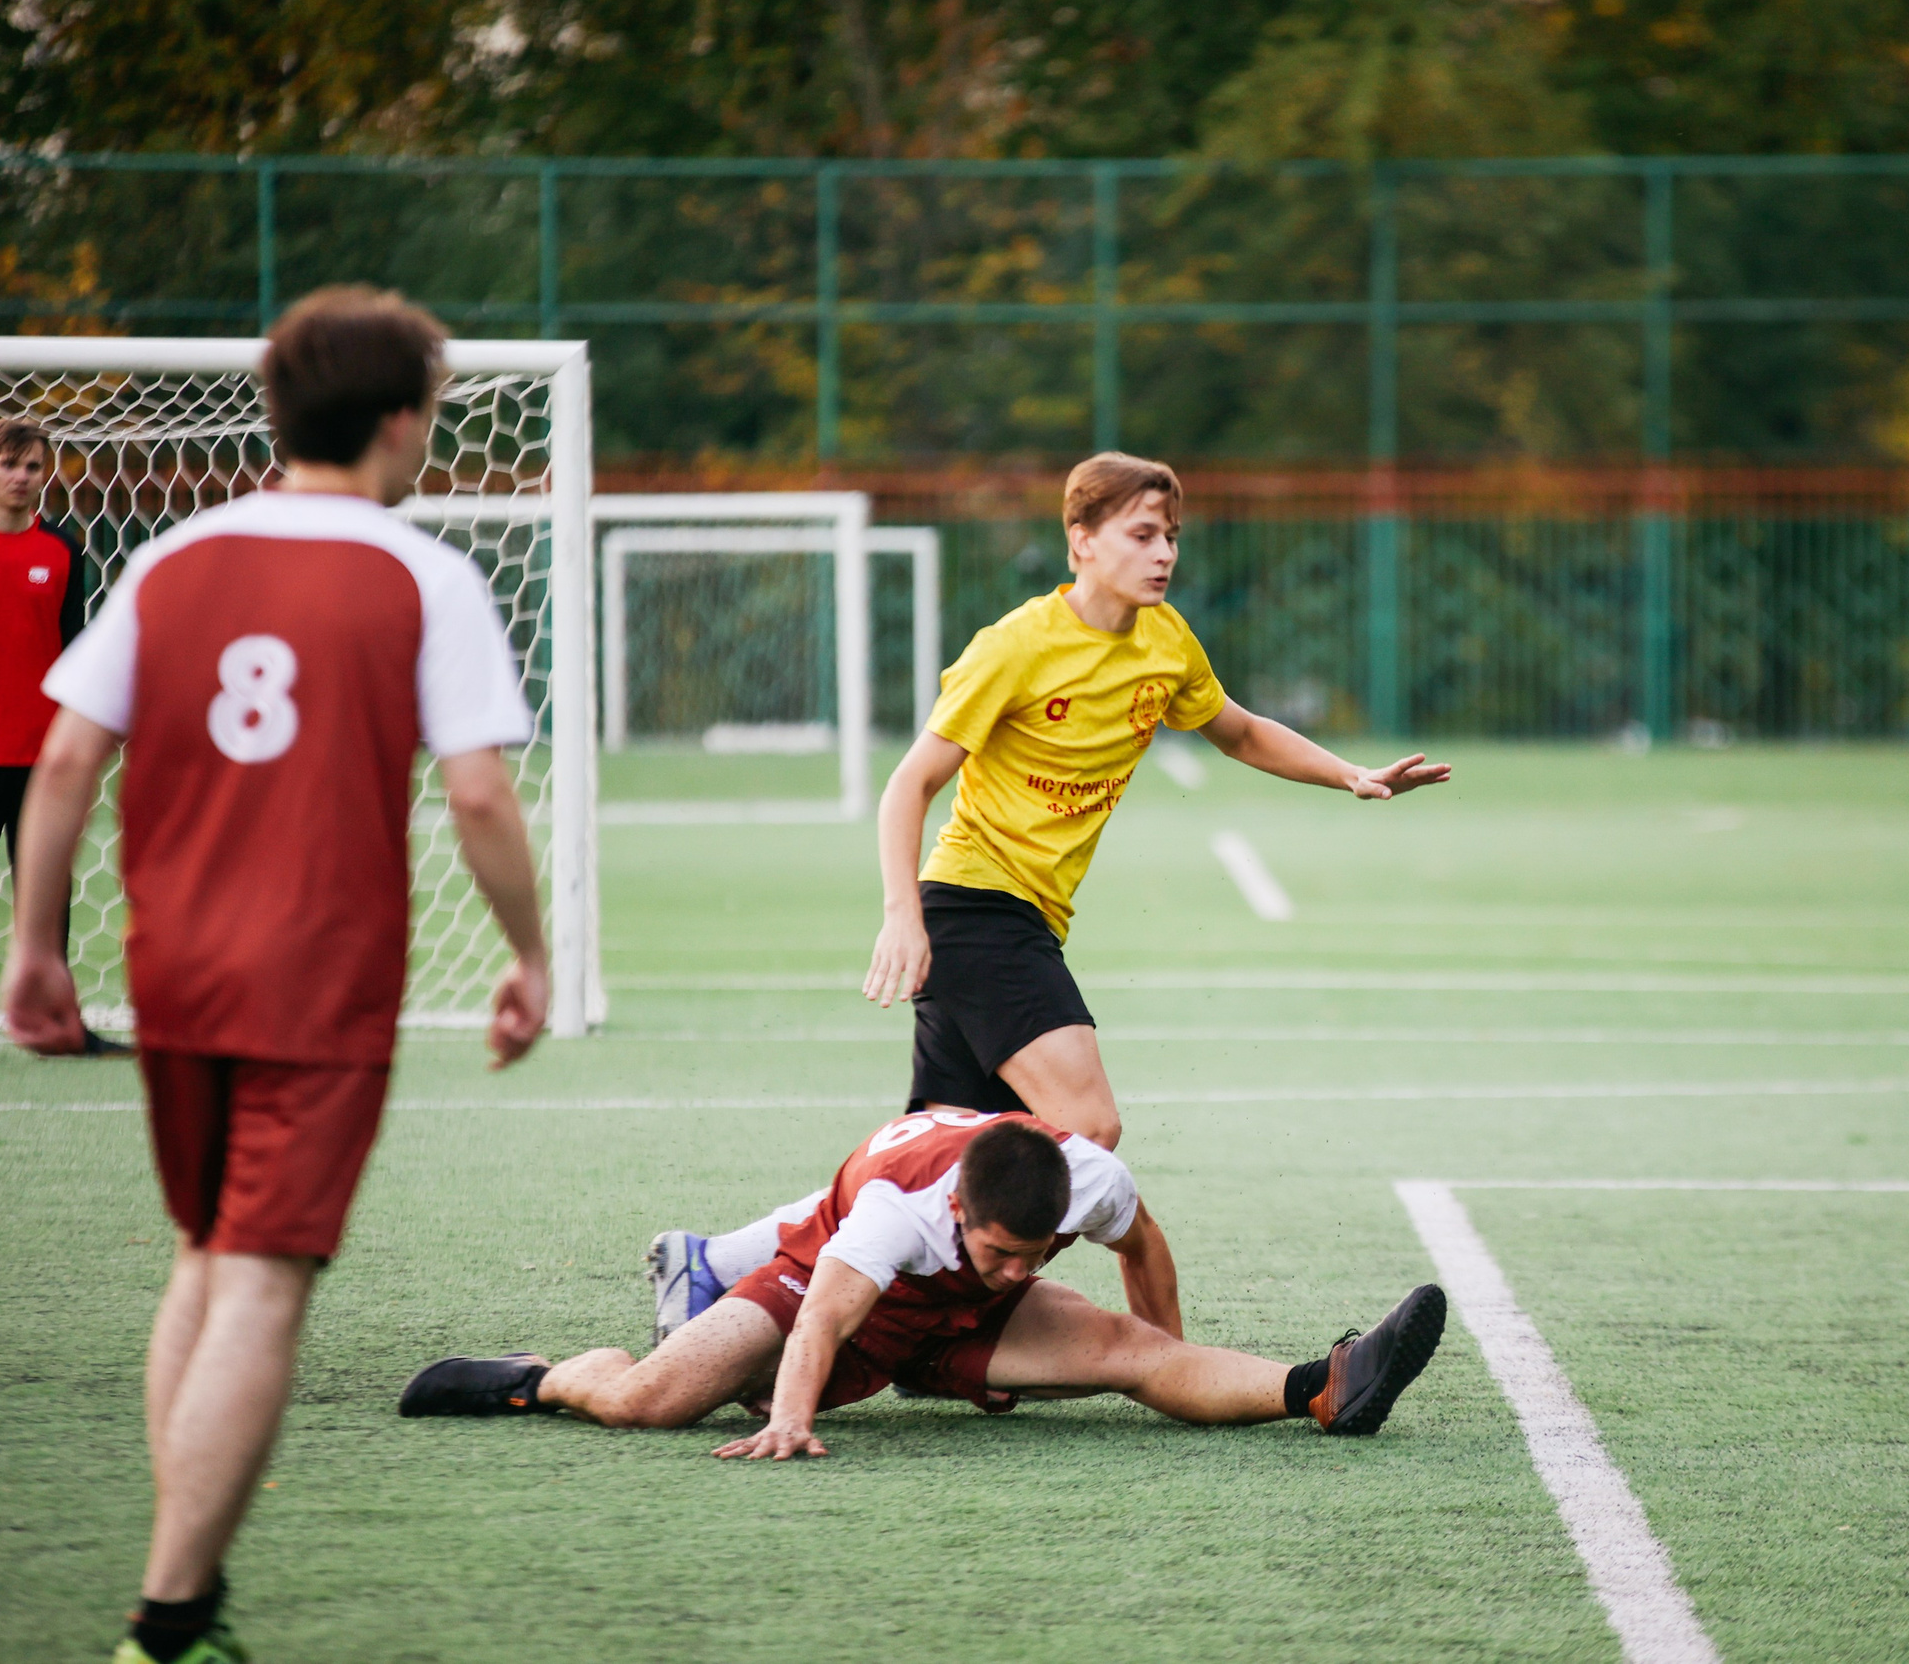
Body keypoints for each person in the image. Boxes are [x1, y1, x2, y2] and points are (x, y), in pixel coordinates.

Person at [3, 286, 553, 1664]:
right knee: (258, 1281)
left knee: (204, 1261)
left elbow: (65, 758)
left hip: (173, 968)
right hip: (318, 980)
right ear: (403, 417)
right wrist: (530, 954)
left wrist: (30, 949)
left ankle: (187, 1586)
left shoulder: (175, 557)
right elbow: (479, 795)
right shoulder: (419, 570)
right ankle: (170, 1614)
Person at [865, 452, 1451, 1152]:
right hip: (977, 910)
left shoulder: (1165, 640)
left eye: (1171, 536)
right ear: (1082, 538)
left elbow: (1239, 731)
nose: (1165, 553)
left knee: (936, 1161)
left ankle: (737, 1259)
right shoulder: (1014, 647)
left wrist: (1350, 773)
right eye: (1142, 535)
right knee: (1088, 1129)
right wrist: (903, 914)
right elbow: (911, 782)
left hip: (1022, 919)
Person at [403, 1112, 1447, 1449]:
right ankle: (534, 1377)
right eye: (999, 1251)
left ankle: (1322, 1383)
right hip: (818, 1296)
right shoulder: (895, 1213)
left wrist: (1169, 1354)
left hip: (948, 1328)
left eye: (1031, 1254)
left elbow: (1143, 1250)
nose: (1017, 1267)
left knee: (1128, 1354)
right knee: (651, 1401)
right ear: (959, 1213)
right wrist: (792, 1421)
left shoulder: (1083, 1180)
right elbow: (818, 1322)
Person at [0, 416, 123, 1053]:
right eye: (9, 464)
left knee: (49, 897)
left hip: (40, 755)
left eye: (33, 467)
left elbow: (69, 653)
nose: (21, 477)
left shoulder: (60, 550)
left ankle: (59, 1024)